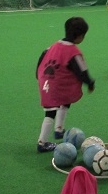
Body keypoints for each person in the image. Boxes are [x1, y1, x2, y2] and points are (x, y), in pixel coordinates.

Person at [36, 17, 95, 153]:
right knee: (50, 113)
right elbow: (82, 71)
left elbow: (42, 57)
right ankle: (42, 142)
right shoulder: (74, 53)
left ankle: (59, 130)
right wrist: (90, 83)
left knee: (64, 100)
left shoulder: (53, 46)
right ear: (80, 36)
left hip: (45, 81)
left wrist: (38, 76)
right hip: (56, 85)